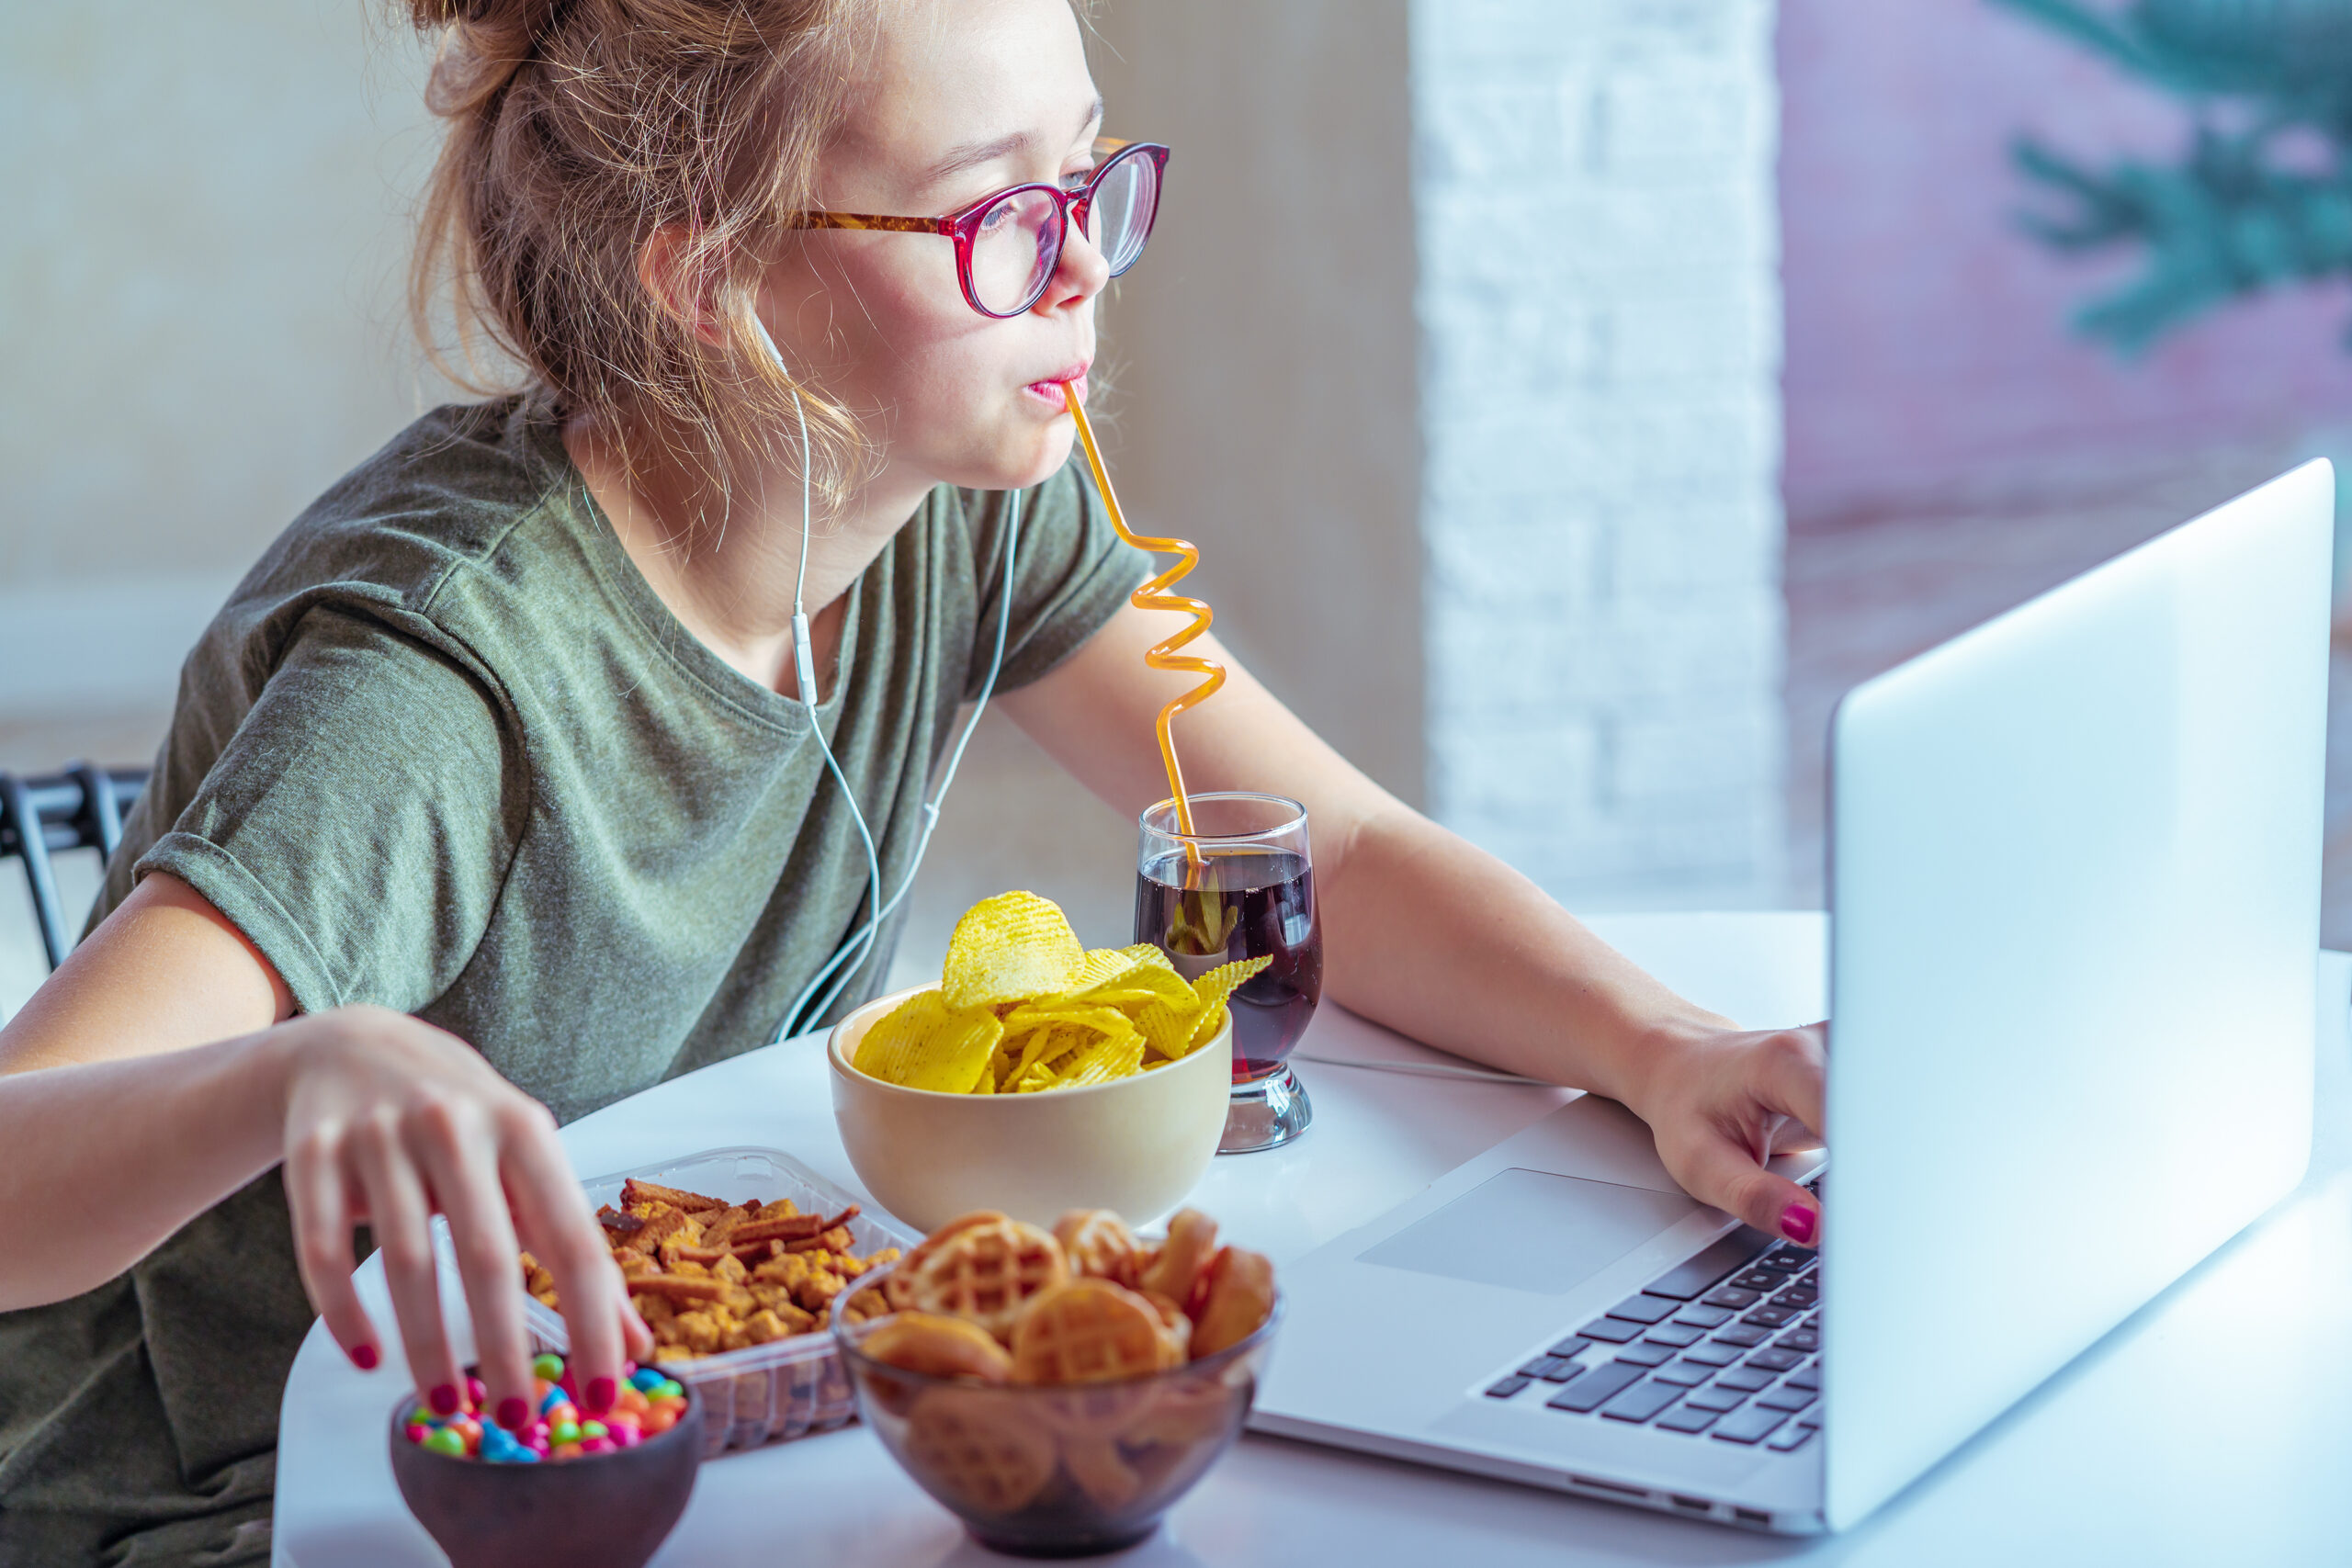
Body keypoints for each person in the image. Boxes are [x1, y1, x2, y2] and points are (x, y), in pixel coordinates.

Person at [0, 0, 1826, 1561]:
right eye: (998, 216)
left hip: (643, 1423)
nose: (1084, 263)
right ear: (717, 277)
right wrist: (302, 1066)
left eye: (1092, 175)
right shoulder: (437, 688)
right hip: (269, 1492)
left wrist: (1659, 1048)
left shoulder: (958, 504)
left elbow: (1318, 842)